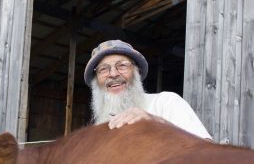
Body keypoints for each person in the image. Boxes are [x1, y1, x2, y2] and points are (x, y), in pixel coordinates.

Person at [84, 40, 212, 139]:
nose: (113, 74)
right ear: (96, 80)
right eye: (103, 69)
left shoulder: (166, 102)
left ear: (137, 72)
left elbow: (207, 150)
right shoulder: (97, 130)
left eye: (122, 65)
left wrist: (156, 122)